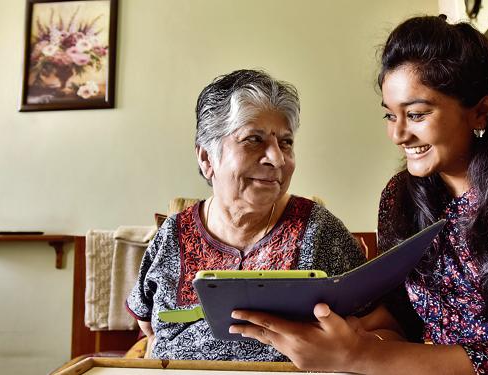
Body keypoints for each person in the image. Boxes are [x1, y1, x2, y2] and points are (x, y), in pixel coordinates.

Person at [230, 16, 488, 374]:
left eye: (417, 114)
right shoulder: (399, 197)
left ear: (480, 111)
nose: (398, 134)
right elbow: (402, 322)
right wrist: (350, 334)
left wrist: (358, 355)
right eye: (390, 115)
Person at [126, 69, 366, 361]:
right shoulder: (172, 234)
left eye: (286, 142)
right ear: (206, 158)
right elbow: (147, 324)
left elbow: (374, 323)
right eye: (254, 139)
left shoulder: (319, 230)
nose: (277, 158)